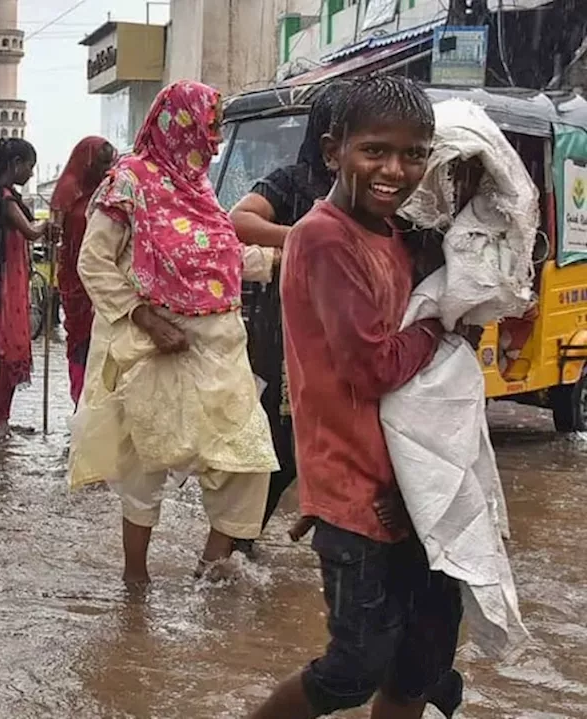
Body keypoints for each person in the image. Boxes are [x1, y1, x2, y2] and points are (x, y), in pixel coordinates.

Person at [250, 76, 466, 719]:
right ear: (331, 150)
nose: (395, 170)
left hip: (419, 485)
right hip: (360, 492)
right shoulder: (324, 237)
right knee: (353, 669)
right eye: (375, 150)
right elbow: (372, 366)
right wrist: (443, 326)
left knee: (418, 664)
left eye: (413, 154)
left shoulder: (397, 234)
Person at [68, 80, 277, 582]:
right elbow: (93, 262)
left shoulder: (200, 190)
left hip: (219, 344)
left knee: (246, 457)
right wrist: (146, 320)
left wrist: (280, 260)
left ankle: (209, 571)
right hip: (154, 343)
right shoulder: (129, 181)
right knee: (147, 461)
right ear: (180, 124)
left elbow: (214, 261)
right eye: (212, 126)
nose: (217, 140)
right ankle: (135, 584)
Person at [229, 80, 350, 547]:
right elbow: (239, 221)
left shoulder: (378, 193)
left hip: (350, 337)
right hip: (288, 334)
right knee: (280, 445)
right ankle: (236, 546)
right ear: (328, 140)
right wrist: (303, 237)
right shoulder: (295, 182)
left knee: (329, 445)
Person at [0, 138, 44, 438]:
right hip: (6, 286)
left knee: (2, 353)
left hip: (1, 283)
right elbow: (30, 232)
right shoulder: (4, 198)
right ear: (16, 164)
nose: (30, 173)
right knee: (9, 352)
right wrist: (54, 220)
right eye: (29, 166)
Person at [52, 136, 117, 407]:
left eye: (108, 163)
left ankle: (101, 405)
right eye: (100, 163)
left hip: (107, 279)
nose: (104, 170)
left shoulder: (110, 191)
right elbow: (57, 235)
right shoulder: (69, 190)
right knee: (81, 341)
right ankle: (81, 402)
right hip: (76, 283)